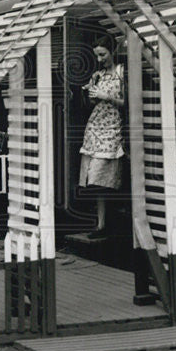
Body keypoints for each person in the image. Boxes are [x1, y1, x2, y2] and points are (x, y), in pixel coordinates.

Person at [78, 35, 125, 237]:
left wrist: (107, 97)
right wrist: (88, 94)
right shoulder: (97, 75)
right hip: (95, 129)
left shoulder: (122, 72)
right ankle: (101, 224)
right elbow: (89, 106)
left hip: (113, 129)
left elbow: (129, 102)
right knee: (95, 179)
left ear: (112, 52)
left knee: (105, 176)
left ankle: (113, 222)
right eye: (97, 55)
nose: (99, 59)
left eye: (103, 54)